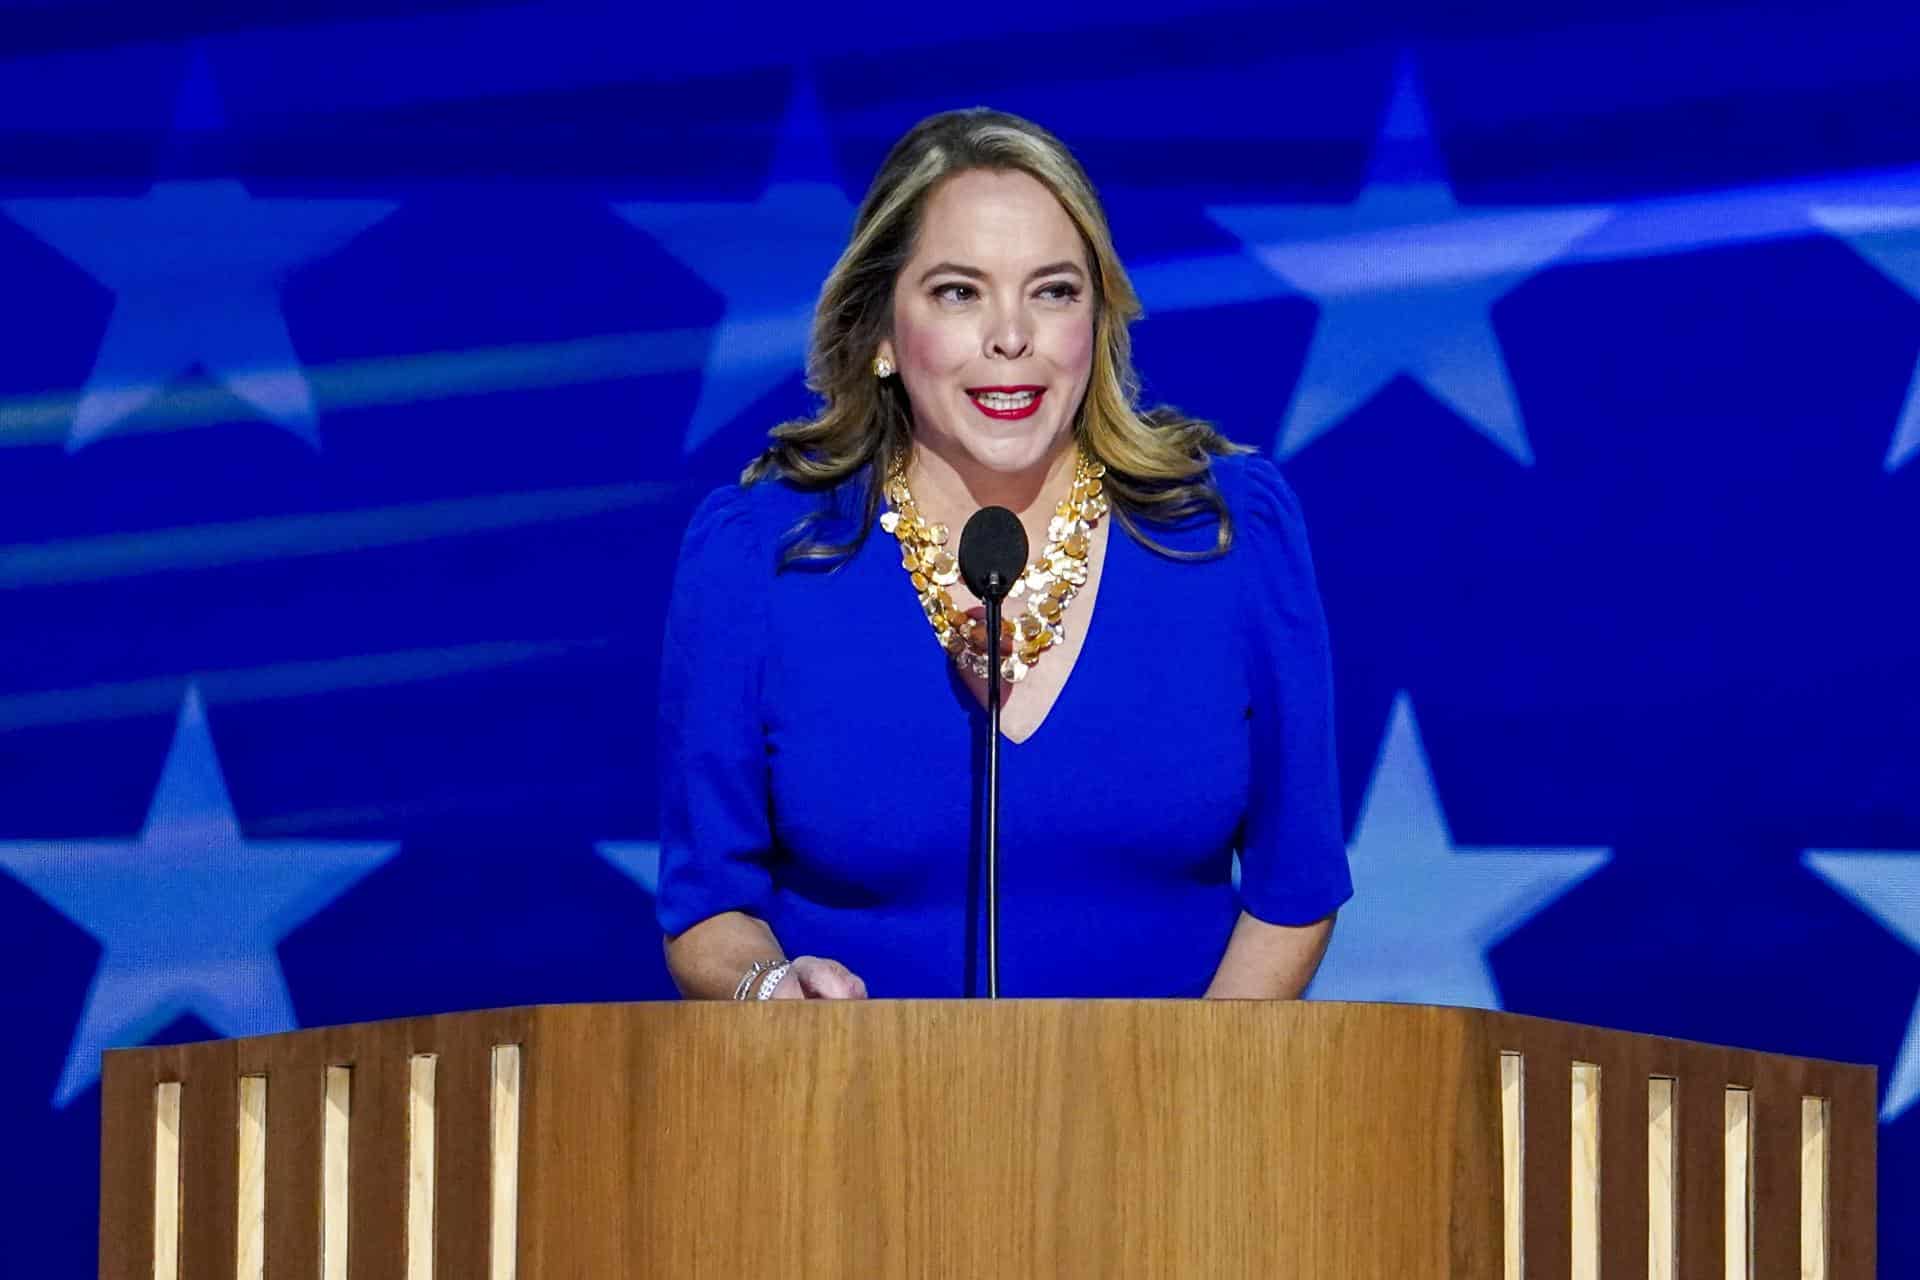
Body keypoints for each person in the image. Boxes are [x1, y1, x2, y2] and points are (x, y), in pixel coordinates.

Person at [656, 107, 1350, 1001]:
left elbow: (1294, 894)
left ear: (1096, 323)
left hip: (1178, 1126)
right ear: (879, 333)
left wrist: (1184, 1116)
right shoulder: (762, 555)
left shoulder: (1228, 531)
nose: (1010, 336)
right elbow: (706, 910)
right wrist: (768, 987)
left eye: (1053, 290)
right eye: (958, 291)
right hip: (856, 1123)